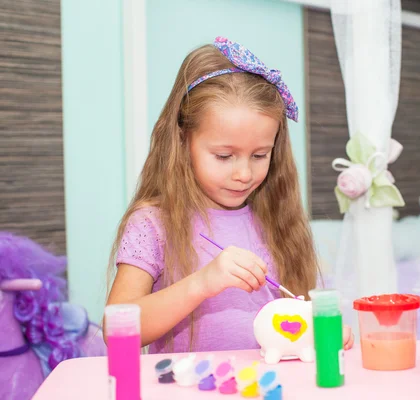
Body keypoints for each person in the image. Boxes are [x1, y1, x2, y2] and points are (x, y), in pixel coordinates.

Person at [105, 36, 354, 353]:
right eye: (224, 156)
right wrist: (202, 283)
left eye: (260, 155)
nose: (244, 174)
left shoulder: (278, 220)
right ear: (183, 142)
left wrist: (321, 331)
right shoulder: (153, 224)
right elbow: (115, 330)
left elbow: (293, 319)